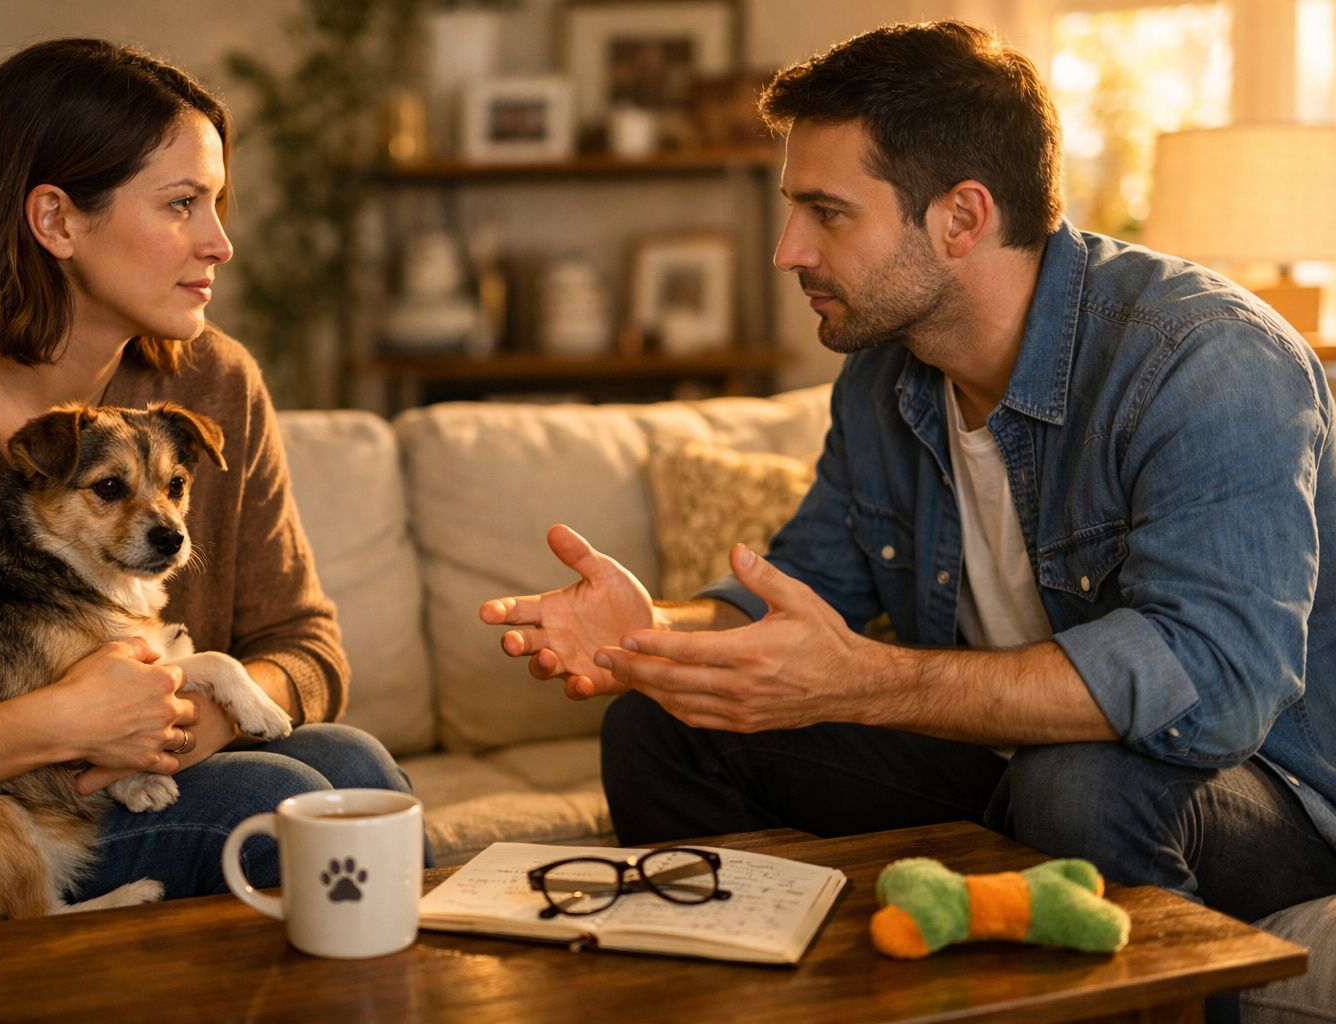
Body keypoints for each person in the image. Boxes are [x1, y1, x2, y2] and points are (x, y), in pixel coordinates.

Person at [481, 20, 1336, 934]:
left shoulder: (1203, 360)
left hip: (1265, 796)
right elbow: (810, 585)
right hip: (1004, 764)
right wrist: (662, 631)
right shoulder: (885, 375)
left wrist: (864, 683)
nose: (788, 251)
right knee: (664, 726)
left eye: (828, 212)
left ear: (962, 217)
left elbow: (1214, 685)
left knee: (1077, 784)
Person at [0, 38, 416, 937]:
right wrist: (63, 721)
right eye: (182, 205)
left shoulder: (212, 386)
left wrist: (196, 717)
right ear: (55, 219)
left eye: (218, 202)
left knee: (355, 769)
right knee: (274, 794)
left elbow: (308, 649)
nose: (222, 242)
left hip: (103, 792)